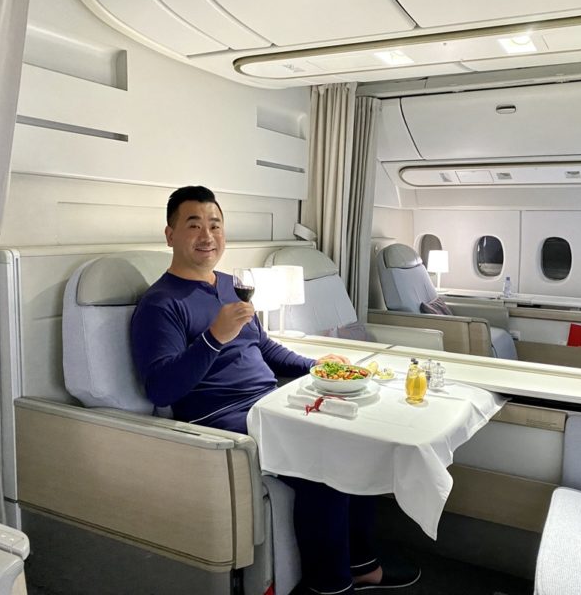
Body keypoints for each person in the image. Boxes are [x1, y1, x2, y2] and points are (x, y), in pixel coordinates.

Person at [131, 186, 420, 594]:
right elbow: (161, 388)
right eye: (193, 225)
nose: (206, 235)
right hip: (220, 417)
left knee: (359, 442)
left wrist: (314, 366)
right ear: (170, 234)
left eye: (215, 224)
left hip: (270, 401)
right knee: (326, 468)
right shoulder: (160, 304)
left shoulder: (232, 285)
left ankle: (362, 566)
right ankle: (330, 585)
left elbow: (262, 347)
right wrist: (214, 337)